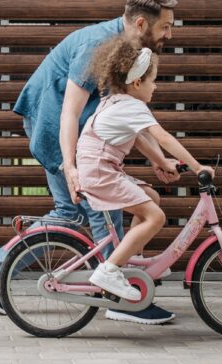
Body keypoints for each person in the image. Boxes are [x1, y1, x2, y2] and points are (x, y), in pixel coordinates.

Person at [0, 0, 180, 324]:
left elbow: (122, 114)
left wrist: (157, 158)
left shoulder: (129, 49)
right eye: (166, 27)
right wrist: (71, 167)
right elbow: (69, 112)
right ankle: (113, 294)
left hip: (73, 128)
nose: (170, 34)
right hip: (53, 123)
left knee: (71, 212)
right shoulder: (98, 46)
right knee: (101, 204)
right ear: (141, 23)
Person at [79, 37, 214, 300]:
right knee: (156, 217)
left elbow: (140, 138)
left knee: (151, 198)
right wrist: (198, 167)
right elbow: (162, 137)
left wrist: (162, 162)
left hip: (101, 168)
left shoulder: (115, 100)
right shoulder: (132, 104)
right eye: (153, 80)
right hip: (100, 172)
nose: (156, 86)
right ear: (137, 82)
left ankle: (132, 260)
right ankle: (109, 270)